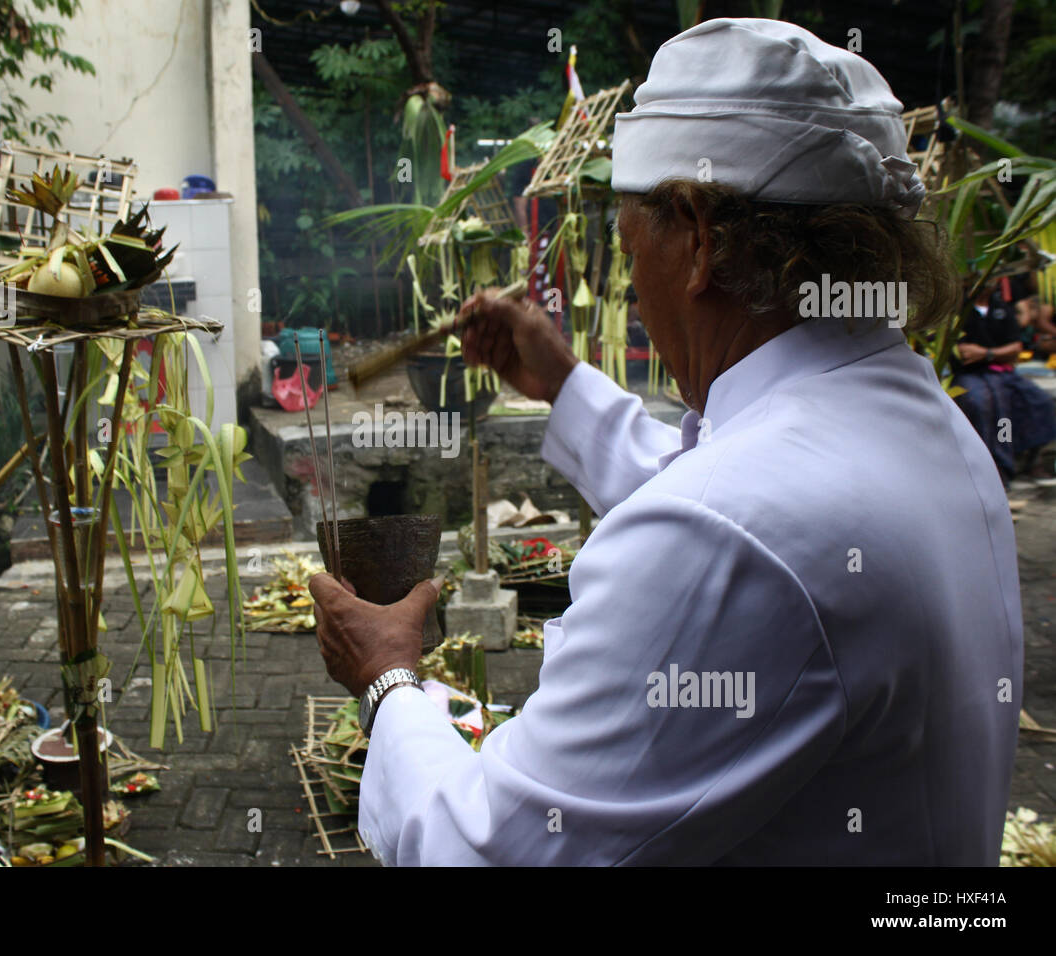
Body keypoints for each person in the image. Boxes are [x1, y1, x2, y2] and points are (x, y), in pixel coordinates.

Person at [310, 18, 1023, 865]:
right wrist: (564, 385)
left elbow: (487, 850)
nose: (633, 279)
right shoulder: (924, 423)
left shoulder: (733, 528)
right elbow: (734, 511)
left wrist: (389, 679)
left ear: (697, 237)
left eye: (627, 238)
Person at [953, 283, 1056, 482]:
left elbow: (1015, 348)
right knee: (984, 403)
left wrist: (986, 353)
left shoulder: (1002, 307)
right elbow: (964, 353)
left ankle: (1028, 460)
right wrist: (995, 354)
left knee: (1038, 401)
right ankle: (995, 465)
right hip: (970, 374)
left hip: (1001, 372)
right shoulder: (958, 309)